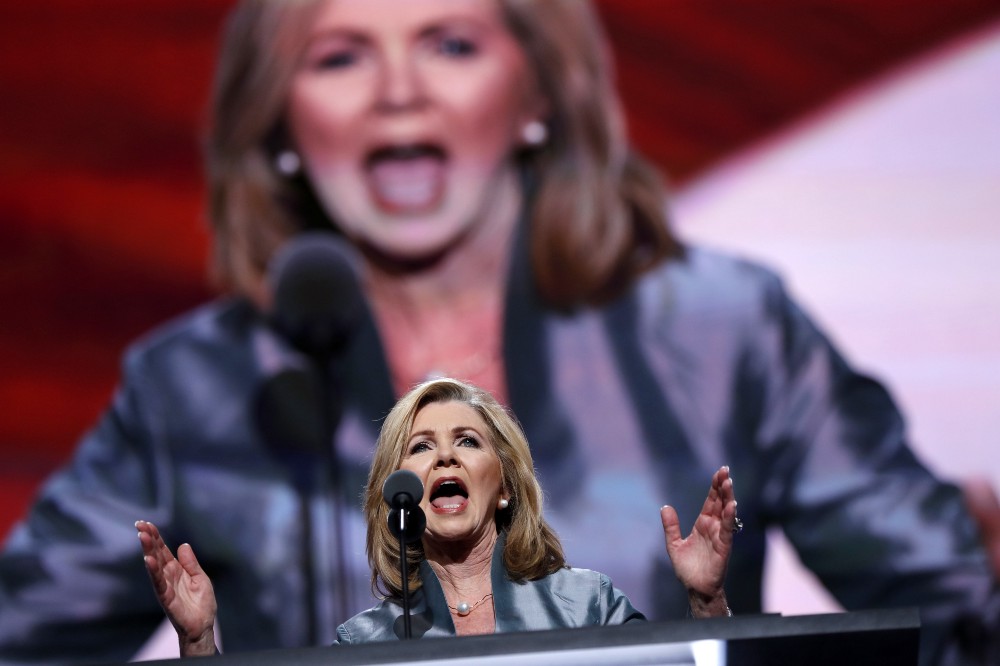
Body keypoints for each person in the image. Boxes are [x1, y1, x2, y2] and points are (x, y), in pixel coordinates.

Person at [0, 0, 996, 664]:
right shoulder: (194, 386)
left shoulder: (728, 330)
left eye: (451, 44)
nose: (398, 90)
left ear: (538, 93)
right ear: (280, 121)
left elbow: (949, 617)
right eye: (340, 56)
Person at [137, 378, 738, 655]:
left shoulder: (587, 605)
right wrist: (199, 640)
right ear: (397, 496)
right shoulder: (366, 643)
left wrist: (707, 600)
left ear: (504, 489)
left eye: (468, 442)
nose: (445, 456)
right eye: (420, 447)